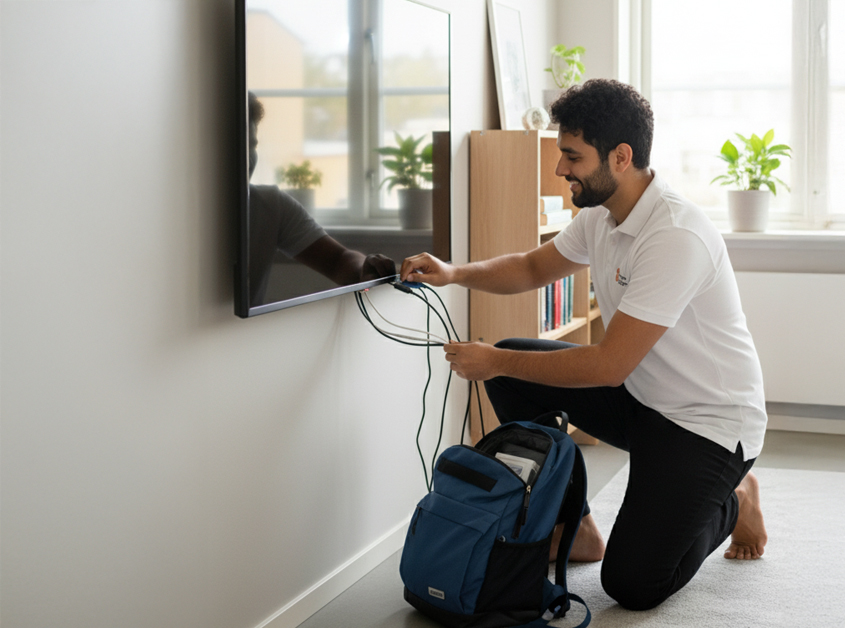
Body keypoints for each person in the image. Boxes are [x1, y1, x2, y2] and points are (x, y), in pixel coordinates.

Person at [398, 79, 768, 611]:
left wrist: (493, 359)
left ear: (621, 157)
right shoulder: (601, 215)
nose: (559, 168)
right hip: (642, 399)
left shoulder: (674, 235)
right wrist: (454, 273)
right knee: (512, 373)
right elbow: (531, 267)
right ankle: (578, 528)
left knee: (633, 585)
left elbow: (608, 365)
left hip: (706, 424)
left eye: (572, 156)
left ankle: (735, 498)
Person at [247, 93, 395, 306]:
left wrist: (365, 268)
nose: (246, 159)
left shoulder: (271, 206)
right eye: (236, 146)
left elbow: (338, 260)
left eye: (251, 146)